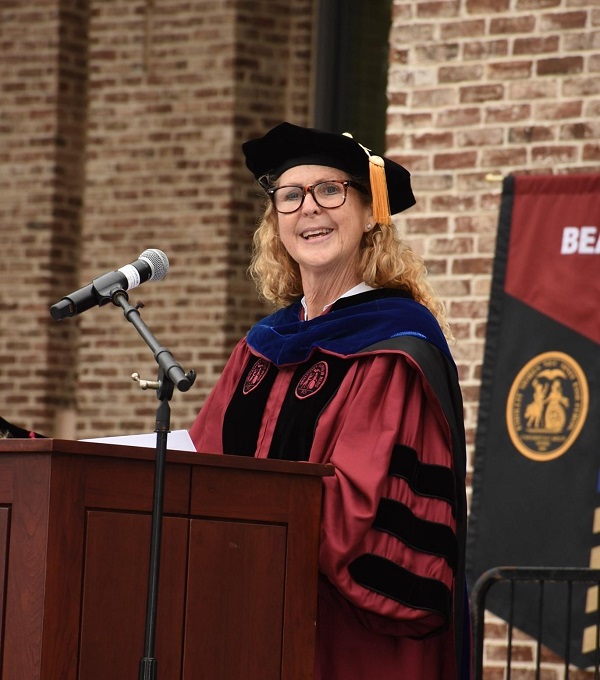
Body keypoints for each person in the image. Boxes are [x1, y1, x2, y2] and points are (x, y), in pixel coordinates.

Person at [189, 122, 470, 680]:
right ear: (276, 223)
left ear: (371, 213)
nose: (308, 208)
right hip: (247, 619)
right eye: (290, 196)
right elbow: (202, 463)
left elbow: (363, 517)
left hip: (351, 640)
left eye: (330, 190)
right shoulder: (260, 348)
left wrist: (245, 524)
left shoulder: (395, 348)